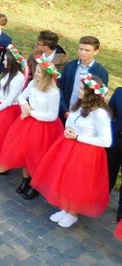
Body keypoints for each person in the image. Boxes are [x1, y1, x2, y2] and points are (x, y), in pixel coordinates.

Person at [31, 75, 112, 228]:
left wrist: (78, 137)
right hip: (69, 146)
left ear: (90, 93)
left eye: (81, 89)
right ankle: (65, 207)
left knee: (77, 181)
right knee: (65, 177)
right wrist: (69, 128)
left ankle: (73, 213)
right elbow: (70, 118)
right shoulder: (80, 105)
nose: (77, 90)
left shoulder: (100, 114)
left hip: (86, 152)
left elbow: (106, 141)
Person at [0, 59, 64, 199]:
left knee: (36, 156)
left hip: (44, 127)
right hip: (28, 122)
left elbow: (52, 116)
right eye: (35, 71)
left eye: (38, 72)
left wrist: (31, 112)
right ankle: (25, 179)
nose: (34, 74)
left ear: (46, 75)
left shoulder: (53, 93)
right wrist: (26, 106)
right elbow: (21, 97)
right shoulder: (33, 83)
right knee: (25, 152)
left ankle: (35, 185)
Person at [0, 45, 27, 169]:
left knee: (1, 136)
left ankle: (2, 161)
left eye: (6, 60)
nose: (3, 61)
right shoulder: (8, 73)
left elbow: (9, 101)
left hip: (7, 110)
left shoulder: (18, 78)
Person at [57, 35, 109, 119]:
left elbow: (99, 96)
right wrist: (65, 110)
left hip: (85, 115)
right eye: (81, 49)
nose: (82, 52)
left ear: (95, 51)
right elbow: (60, 87)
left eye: (87, 50)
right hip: (64, 112)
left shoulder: (101, 72)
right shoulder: (70, 66)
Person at [109, 87, 122, 223]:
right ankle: (102, 197)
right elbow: (109, 113)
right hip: (115, 140)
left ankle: (121, 212)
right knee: (110, 170)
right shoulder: (119, 92)